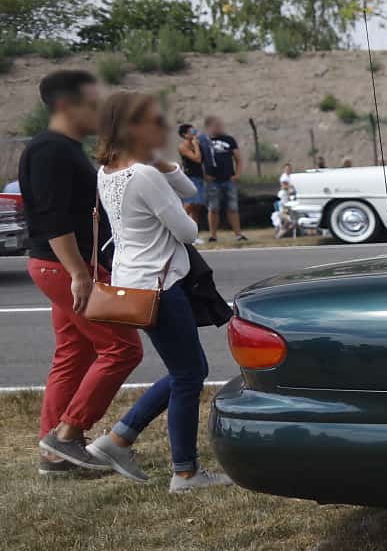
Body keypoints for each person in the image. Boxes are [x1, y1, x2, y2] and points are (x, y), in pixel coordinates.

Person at [86, 90, 231, 491]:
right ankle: (184, 471)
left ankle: (118, 439)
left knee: (187, 370)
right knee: (188, 375)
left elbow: (185, 189)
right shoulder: (144, 177)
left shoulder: (109, 171)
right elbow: (188, 229)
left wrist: (163, 163)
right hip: (162, 285)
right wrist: (158, 173)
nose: (161, 127)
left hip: (135, 283)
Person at [20, 69, 141, 477]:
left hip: (68, 266)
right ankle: (68, 436)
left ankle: (55, 456)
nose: (100, 110)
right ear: (64, 105)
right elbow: (53, 218)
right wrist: (79, 273)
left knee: (75, 352)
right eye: (92, 102)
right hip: (64, 266)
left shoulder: (65, 147)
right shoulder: (49, 150)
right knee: (123, 349)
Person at [201, 116, 245, 243]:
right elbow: (198, 160)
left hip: (228, 179)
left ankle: (238, 234)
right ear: (209, 127)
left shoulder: (229, 140)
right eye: (215, 125)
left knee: (232, 207)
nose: (219, 128)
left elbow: (238, 158)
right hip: (212, 180)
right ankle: (213, 235)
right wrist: (204, 174)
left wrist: (237, 174)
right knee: (213, 208)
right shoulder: (203, 141)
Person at [177, 122, 207, 231]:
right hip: (190, 177)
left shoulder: (197, 144)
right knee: (190, 204)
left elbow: (203, 161)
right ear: (185, 135)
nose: (194, 133)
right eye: (191, 132)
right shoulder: (183, 147)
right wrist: (195, 145)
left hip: (199, 176)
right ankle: (178, 227)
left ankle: (194, 232)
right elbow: (197, 159)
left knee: (197, 206)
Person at [273, 162, 299, 237]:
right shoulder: (284, 177)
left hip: (291, 197)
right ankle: (280, 232)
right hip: (285, 197)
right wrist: (291, 187)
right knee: (286, 215)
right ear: (284, 169)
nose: (289, 170)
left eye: (290, 168)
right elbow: (285, 186)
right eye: (287, 168)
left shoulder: (291, 176)